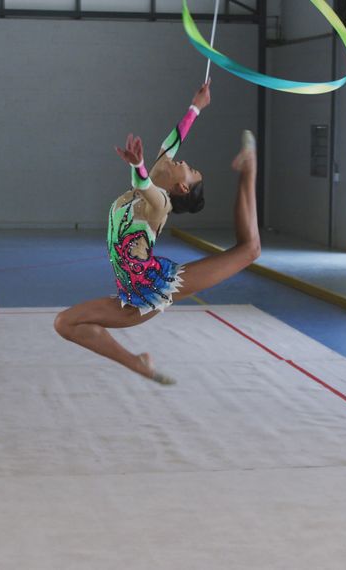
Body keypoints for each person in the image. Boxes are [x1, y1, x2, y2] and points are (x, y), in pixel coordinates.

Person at [54, 80, 260, 385]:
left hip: (152, 291)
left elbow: (143, 185)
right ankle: (136, 362)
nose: (184, 161)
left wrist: (138, 166)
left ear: (182, 187)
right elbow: (173, 141)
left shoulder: (159, 203)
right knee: (65, 323)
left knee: (250, 250)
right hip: (130, 298)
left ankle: (250, 169)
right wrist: (195, 107)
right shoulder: (158, 176)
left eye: (190, 169)